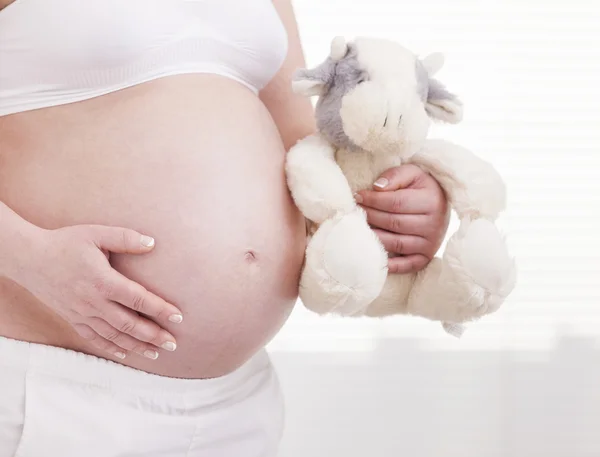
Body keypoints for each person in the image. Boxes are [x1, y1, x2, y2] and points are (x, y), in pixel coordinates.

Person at [0, 0, 450, 456]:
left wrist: (396, 205)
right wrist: (30, 257)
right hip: (54, 390)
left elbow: (304, 147)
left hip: (239, 403)